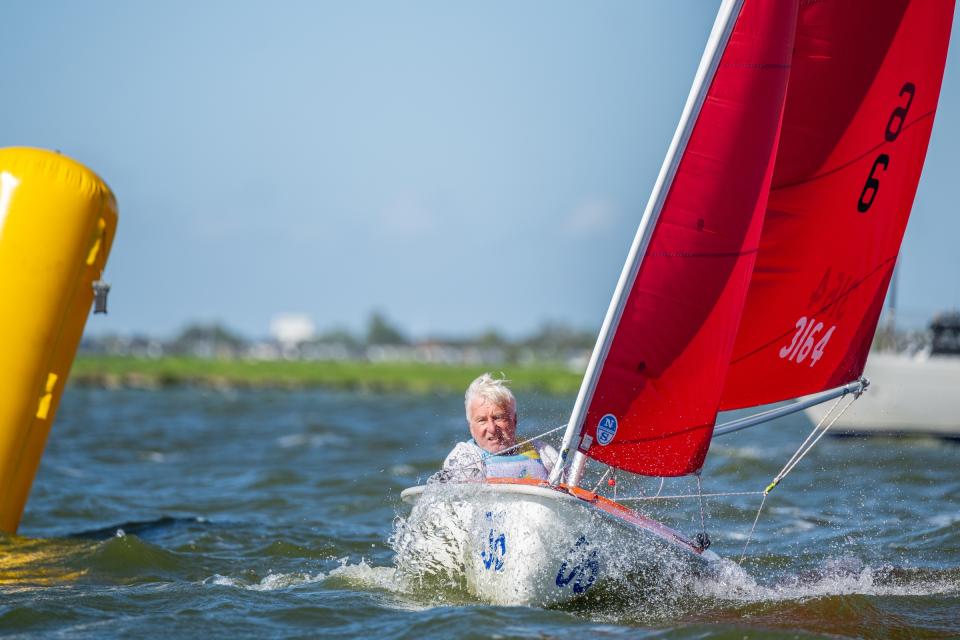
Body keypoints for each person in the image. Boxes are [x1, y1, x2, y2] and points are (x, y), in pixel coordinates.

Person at [438, 373, 558, 482]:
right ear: (471, 427)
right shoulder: (463, 458)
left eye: (498, 417)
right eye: (482, 420)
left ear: (514, 420)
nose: (492, 428)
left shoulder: (542, 452)